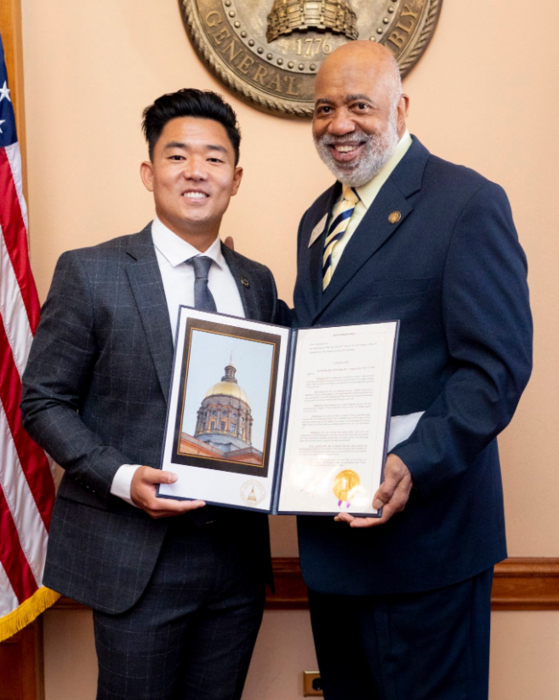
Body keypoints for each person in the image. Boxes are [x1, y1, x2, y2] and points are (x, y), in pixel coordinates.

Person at [21, 89, 282, 700]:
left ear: (236, 179)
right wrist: (121, 476)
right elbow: (43, 401)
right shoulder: (92, 272)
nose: (197, 172)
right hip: (135, 555)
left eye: (215, 159)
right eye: (178, 156)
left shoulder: (257, 282)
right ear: (150, 172)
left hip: (235, 562)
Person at [292, 41, 532, 700]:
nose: (338, 124)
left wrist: (409, 463)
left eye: (358, 105)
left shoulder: (466, 203)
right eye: (322, 109)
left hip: (425, 544)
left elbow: (494, 369)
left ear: (400, 107)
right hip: (334, 545)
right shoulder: (318, 217)